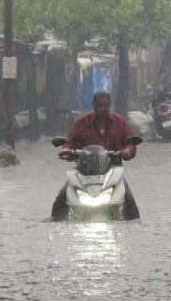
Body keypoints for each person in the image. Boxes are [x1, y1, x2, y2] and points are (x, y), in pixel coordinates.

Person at [52, 91, 139, 220]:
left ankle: (135, 225)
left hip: (112, 172)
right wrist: (66, 150)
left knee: (130, 201)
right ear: (93, 105)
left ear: (110, 105)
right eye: (98, 106)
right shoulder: (82, 122)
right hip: (84, 171)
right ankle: (54, 221)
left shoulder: (119, 122)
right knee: (61, 199)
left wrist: (127, 151)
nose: (102, 109)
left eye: (105, 106)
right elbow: (69, 141)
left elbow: (130, 142)